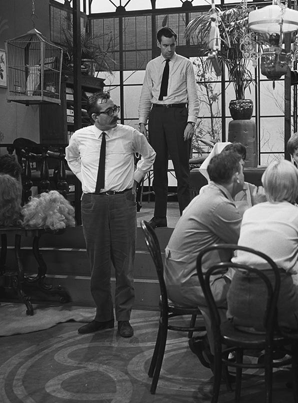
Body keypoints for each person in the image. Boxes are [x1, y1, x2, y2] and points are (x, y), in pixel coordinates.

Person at [66, 92, 156, 338]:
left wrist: (135, 179)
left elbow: (150, 155)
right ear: (95, 116)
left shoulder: (130, 134)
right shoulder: (80, 137)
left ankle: (124, 318)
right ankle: (103, 317)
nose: (115, 114)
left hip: (122, 202)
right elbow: (71, 157)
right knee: (98, 264)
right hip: (93, 204)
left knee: (124, 264)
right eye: (109, 111)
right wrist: (85, 179)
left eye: (114, 108)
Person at [228, 159, 298, 383]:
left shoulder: (250, 213)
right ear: (295, 186)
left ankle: (276, 353)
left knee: (297, 303)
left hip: (237, 302)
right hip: (275, 306)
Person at [164, 150, 244, 365]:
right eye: (243, 169)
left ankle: (216, 346)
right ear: (236, 176)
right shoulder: (218, 204)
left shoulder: (208, 195)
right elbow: (248, 241)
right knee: (252, 291)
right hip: (190, 282)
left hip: (182, 276)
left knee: (243, 282)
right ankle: (228, 348)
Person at [138, 27, 199, 229]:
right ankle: (159, 217)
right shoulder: (152, 65)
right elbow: (146, 95)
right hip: (157, 115)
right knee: (158, 167)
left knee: (182, 170)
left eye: (172, 45)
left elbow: (193, 96)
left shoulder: (185, 64)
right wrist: (142, 122)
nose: (169, 49)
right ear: (158, 44)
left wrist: (190, 122)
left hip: (178, 115)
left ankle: (186, 218)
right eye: (165, 45)